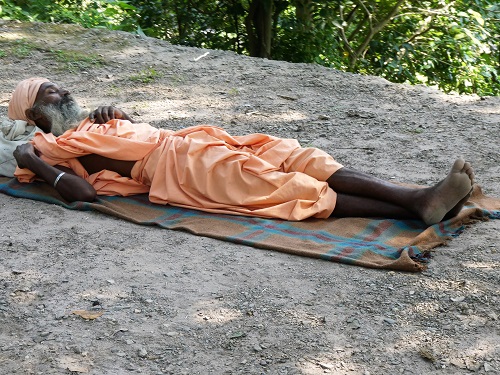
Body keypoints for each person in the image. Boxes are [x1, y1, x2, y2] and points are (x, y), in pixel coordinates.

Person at [10, 77, 475, 225]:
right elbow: (83, 195)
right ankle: (416, 205)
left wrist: (125, 118)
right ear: (33, 116)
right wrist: (31, 163)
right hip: (179, 167)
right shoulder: (44, 146)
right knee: (289, 188)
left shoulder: (96, 120)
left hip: (195, 141)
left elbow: (134, 137)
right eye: (49, 95)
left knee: (298, 156)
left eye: (59, 89)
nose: (62, 94)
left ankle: (414, 197)